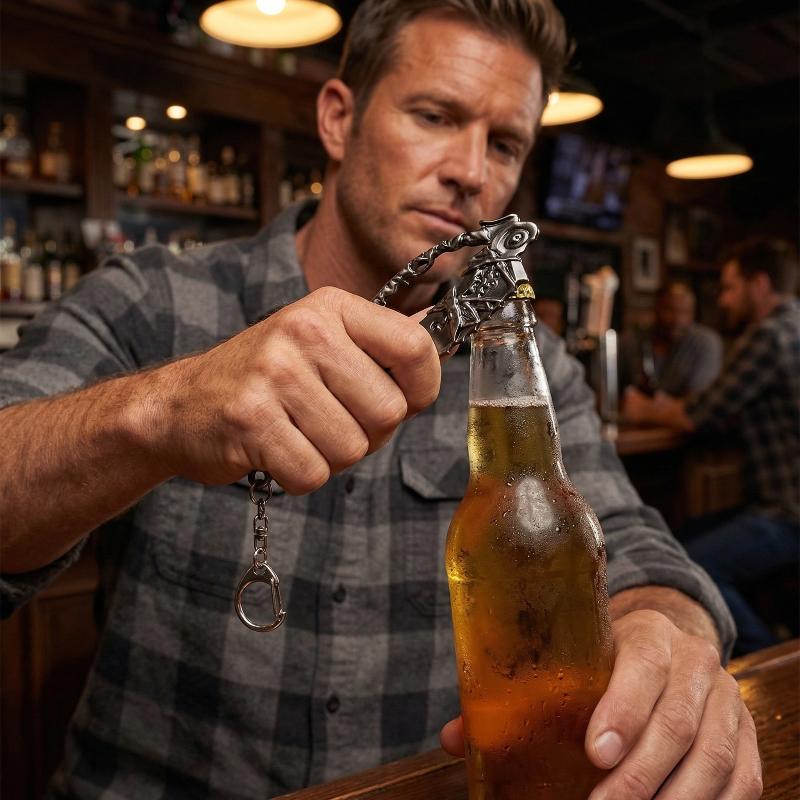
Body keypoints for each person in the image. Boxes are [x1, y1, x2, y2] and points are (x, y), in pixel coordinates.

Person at [0, 2, 761, 798]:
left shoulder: (521, 365)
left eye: (505, 144)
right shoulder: (152, 301)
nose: (472, 170)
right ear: (338, 118)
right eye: (435, 116)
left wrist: (666, 633)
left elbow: (630, 543)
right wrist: (160, 412)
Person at [624, 238, 799, 656]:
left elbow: (699, 414)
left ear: (760, 284)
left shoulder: (769, 335)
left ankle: (768, 660)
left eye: (730, 288)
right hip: (781, 506)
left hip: (788, 513)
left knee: (688, 564)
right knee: (679, 536)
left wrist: (644, 409)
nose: (723, 300)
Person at [619, 280, 723, 398]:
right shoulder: (633, 339)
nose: (677, 320)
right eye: (670, 310)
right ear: (656, 309)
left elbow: (699, 401)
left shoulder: (705, 342)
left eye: (685, 312)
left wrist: (649, 406)